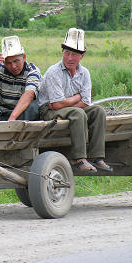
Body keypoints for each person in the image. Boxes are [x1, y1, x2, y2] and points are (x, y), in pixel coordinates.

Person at [38, 28, 112, 172]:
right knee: (78, 114)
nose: (70, 58)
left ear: (82, 56)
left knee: (98, 111)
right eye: (67, 53)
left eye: (74, 54)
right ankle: (79, 159)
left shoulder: (84, 73)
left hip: (66, 109)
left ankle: (96, 157)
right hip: (48, 111)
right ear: (62, 53)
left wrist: (71, 102)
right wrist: (77, 97)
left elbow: (86, 102)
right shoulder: (54, 72)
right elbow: (56, 104)